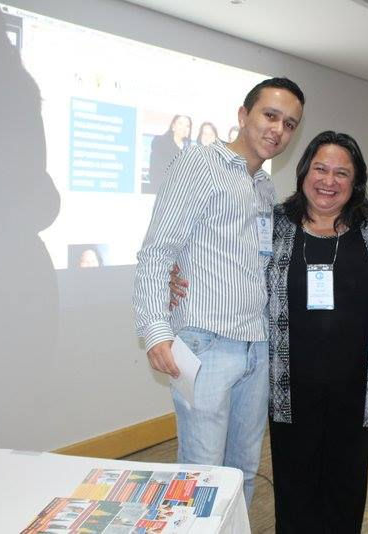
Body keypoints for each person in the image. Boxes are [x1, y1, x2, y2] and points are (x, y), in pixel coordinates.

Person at [170, 131, 368, 532]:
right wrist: (175, 272)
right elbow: (226, 260)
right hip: (288, 386)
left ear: (356, 180)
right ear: (304, 172)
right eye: (320, 169)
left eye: (342, 173)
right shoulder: (275, 223)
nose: (329, 181)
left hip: (358, 386)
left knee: (346, 487)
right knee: (294, 488)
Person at [132, 77, 305, 507]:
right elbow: (157, 251)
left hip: (256, 346)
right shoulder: (199, 163)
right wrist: (156, 331)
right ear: (243, 115)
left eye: (289, 124)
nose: (278, 130)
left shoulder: (264, 186)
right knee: (201, 475)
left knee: (242, 472)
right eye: (270, 115)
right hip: (205, 344)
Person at [144, 115, 191, 194]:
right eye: (180, 123)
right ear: (173, 126)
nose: (184, 128)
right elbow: (155, 173)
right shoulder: (160, 143)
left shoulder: (188, 149)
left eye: (187, 126)